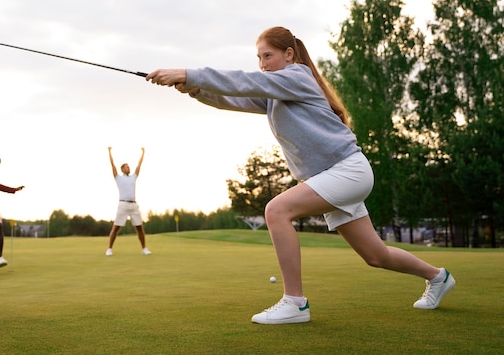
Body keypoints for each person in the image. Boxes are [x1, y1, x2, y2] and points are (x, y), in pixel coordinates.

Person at [145, 26, 455, 324]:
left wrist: (188, 73)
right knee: (375, 255)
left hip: (346, 170)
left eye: (268, 56)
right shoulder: (277, 90)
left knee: (276, 210)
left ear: (289, 54)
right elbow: (238, 97)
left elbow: (244, 81)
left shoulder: (297, 77)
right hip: (335, 175)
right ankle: (438, 277)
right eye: (259, 58)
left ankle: (295, 303)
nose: (262, 65)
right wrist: (197, 89)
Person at [105, 147, 151, 256]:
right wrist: (109, 152)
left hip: (134, 205)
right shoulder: (118, 177)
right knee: (116, 227)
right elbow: (112, 165)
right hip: (123, 204)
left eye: (129, 167)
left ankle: (144, 249)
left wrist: (143, 153)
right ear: (122, 169)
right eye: (126, 167)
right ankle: (109, 249)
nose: (128, 168)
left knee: (140, 227)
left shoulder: (133, 177)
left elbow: (139, 165)